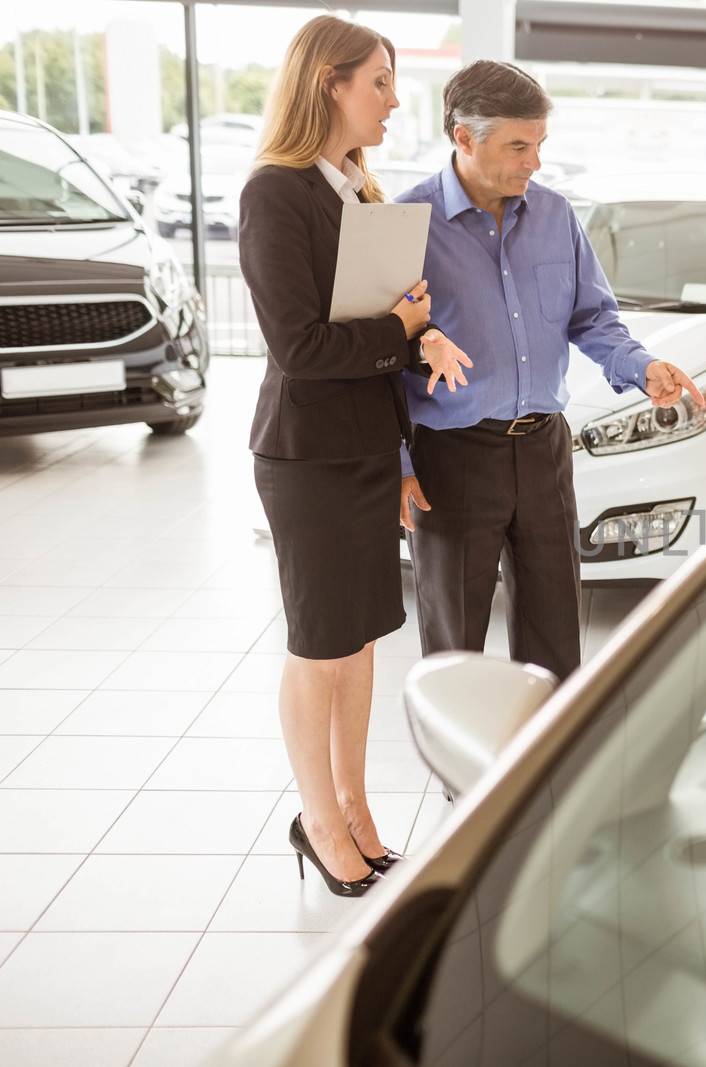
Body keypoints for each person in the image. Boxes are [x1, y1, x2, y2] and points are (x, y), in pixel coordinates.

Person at [239, 14, 472, 897]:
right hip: (307, 459)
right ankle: (318, 818)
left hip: (371, 451)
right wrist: (402, 330)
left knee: (363, 641)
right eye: (378, 81)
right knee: (319, 646)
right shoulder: (275, 192)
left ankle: (355, 806)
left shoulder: (359, 192)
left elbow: (388, 321)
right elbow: (301, 346)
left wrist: (425, 339)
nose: (391, 98)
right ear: (328, 83)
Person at [395, 61, 702, 681]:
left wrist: (642, 367)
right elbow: (376, 359)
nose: (533, 162)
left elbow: (593, 318)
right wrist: (396, 466)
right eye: (517, 146)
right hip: (449, 459)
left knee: (555, 635)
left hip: (543, 451)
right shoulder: (407, 224)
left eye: (538, 145)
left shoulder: (557, 216)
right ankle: (472, 781)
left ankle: (546, 775)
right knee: (456, 644)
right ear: (464, 137)